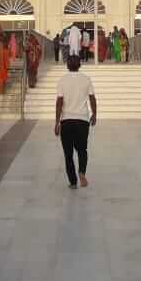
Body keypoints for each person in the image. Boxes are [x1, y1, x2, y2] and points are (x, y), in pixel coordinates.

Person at [55, 54, 97, 189]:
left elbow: (59, 102)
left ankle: (73, 182)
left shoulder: (62, 80)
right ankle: (82, 172)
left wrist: (57, 122)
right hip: (82, 120)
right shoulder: (86, 79)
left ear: (67, 65)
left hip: (66, 121)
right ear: (80, 65)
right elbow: (92, 98)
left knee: (68, 154)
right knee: (82, 150)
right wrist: (94, 114)